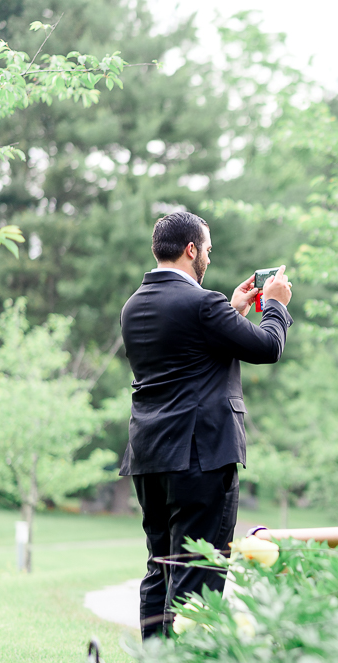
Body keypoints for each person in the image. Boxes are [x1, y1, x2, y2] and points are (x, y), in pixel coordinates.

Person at [120, 211, 294, 639]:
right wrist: (274, 304)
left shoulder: (135, 304)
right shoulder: (201, 303)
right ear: (191, 249)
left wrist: (234, 309)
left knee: (161, 567)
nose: (210, 260)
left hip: (150, 455)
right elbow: (268, 347)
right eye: (208, 250)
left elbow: (190, 353)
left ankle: (156, 657)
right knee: (200, 569)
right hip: (200, 456)